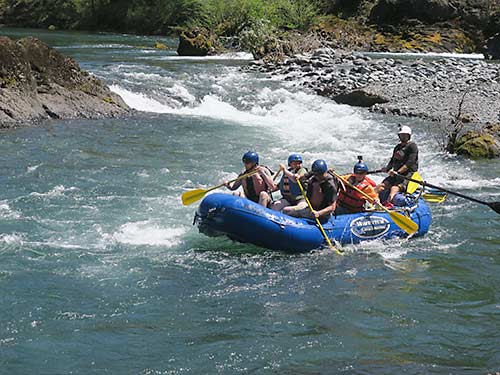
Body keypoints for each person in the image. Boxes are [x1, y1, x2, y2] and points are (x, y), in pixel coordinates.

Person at [375, 125, 418, 205]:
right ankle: (370, 202)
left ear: (408, 136)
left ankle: (388, 205)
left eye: (404, 135)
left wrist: (398, 172)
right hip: (396, 174)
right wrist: (387, 168)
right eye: (401, 135)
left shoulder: (412, 146)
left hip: (407, 175)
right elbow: (392, 161)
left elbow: (409, 163)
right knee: (381, 186)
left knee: (394, 189)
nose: (402, 137)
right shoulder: (397, 147)